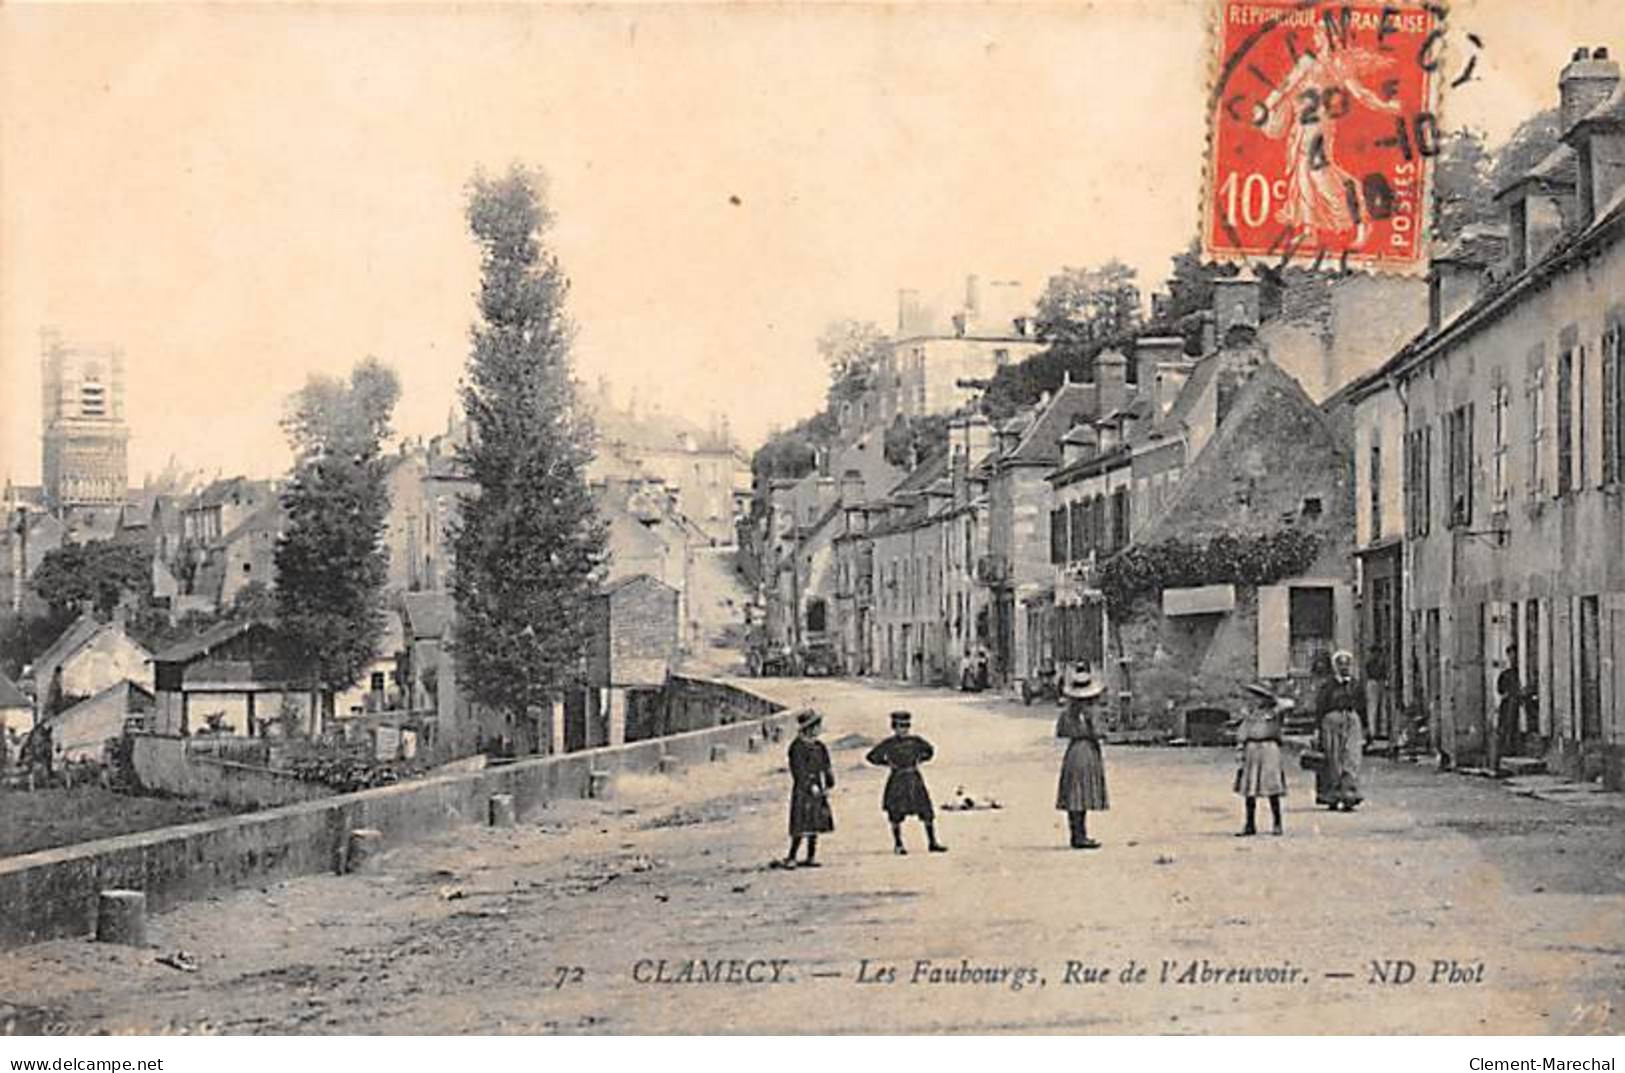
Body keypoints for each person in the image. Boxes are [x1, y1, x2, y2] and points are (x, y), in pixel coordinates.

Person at [865, 711, 947, 855]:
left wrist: (920, 760)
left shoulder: (915, 741)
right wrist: (887, 764)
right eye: (899, 726)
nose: (903, 729)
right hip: (897, 779)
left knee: (926, 811)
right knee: (895, 812)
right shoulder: (889, 743)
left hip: (914, 778)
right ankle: (898, 844)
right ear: (894, 727)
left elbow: (929, 751)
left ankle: (932, 842)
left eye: (906, 726)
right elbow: (872, 756)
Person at [1055, 664, 1109, 849]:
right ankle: (1081, 836)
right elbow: (1100, 732)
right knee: (1083, 794)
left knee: (1073, 795)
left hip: (1072, 751)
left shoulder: (1068, 712)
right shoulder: (1092, 712)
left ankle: (1076, 834)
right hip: (1087, 750)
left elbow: (1060, 731)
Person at [1315, 650, 1366, 811]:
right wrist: (1317, 730)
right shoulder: (1328, 686)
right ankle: (1333, 795)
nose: (1344, 667)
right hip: (1331, 722)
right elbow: (1320, 708)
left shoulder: (1356, 685)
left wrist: (1365, 728)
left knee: (1351, 758)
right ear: (1335, 666)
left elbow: (1362, 706)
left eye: (1347, 664)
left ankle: (1349, 794)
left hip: (1352, 722)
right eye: (1340, 664)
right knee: (1333, 758)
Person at [1235, 685, 1288, 836]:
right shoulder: (1249, 716)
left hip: (1269, 748)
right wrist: (1240, 750)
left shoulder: (1274, 714)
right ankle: (1250, 824)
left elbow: (1287, 705)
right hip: (1252, 749)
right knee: (1250, 788)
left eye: (1258, 698)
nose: (1254, 701)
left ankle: (1277, 823)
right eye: (1253, 698)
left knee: (1272, 786)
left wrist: (1274, 700)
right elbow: (1242, 733)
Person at [784, 709, 834, 868]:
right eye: (817, 727)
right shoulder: (797, 747)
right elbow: (798, 770)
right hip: (803, 789)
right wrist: (809, 785)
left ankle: (811, 856)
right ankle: (792, 856)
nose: (819, 730)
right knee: (800, 822)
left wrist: (828, 782)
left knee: (815, 821)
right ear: (809, 728)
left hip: (818, 786)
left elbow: (827, 766)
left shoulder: (820, 746)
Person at [1495, 646, 1523, 768]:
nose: (1513, 658)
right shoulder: (1505, 674)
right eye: (1510, 655)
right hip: (1507, 704)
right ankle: (1506, 749)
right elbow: (1500, 690)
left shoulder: (1520, 673)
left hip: (1517, 703)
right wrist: (1506, 694)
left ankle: (1512, 748)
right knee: (1505, 726)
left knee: (1512, 725)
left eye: (1514, 655)